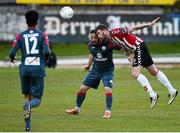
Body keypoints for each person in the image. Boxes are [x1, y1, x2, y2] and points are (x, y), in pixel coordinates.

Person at [95, 17, 178, 109]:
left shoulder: (115, 32)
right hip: (140, 47)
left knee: (135, 74)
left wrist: (148, 24)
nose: (99, 36)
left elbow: (132, 28)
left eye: (99, 33)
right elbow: (123, 46)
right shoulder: (110, 40)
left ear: (104, 30)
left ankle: (152, 95)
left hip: (138, 46)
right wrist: (128, 55)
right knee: (154, 71)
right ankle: (172, 90)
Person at [9, 10, 50, 131]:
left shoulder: (20, 35)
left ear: (26, 21)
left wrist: (12, 58)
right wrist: (45, 59)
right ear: (37, 21)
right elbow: (47, 51)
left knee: (26, 96)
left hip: (24, 69)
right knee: (36, 99)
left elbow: (12, 52)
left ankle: (27, 126)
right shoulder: (42, 35)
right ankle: (29, 105)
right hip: (37, 69)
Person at [65, 30, 121, 119]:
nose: (93, 39)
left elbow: (121, 47)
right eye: (91, 38)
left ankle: (108, 111)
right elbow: (92, 54)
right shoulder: (91, 45)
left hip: (107, 72)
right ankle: (76, 109)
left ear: (99, 36)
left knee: (108, 90)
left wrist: (129, 55)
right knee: (82, 90)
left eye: (95, 37)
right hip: (95, 71)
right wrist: (88, 65)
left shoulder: (108, 43)